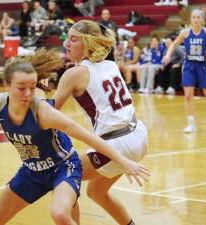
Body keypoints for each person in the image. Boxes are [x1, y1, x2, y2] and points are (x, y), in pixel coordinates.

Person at [0, 49, 149, 225]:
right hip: (32, 171)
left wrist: (124, 160)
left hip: (64, 167)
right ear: (6, 85)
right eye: (21, 88)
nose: (28, 93)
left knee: (59, 214)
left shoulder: (43, 112)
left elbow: (88, 138)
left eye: (32, 87)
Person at [53, 20, 149, 225]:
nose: (67, 44)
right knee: (97, 192)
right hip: (138, 135)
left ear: (88, 43)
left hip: (116, 144)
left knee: (63, 174)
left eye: (74, 39)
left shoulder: (74, 73)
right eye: (67, 39)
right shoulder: (111, 64)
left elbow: (51, 113)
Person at [163, 9, 206, 132]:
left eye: (198, 17)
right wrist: (168, 55)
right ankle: (191, 124)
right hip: (189, 66)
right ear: (191, 19)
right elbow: (174, 44)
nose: (196, 19)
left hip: (202, 66)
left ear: (202, 19)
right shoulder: (185, 32)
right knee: (188, 96)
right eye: (193, 17)